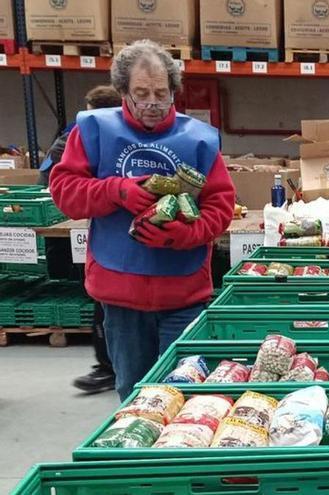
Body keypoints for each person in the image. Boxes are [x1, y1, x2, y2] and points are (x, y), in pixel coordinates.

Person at [50, 40, 235, 400]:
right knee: (134, 397)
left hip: (184, 296)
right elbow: (65, 193)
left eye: (161, 94)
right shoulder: (93, 131)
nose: (152, 104)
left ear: (174, 92)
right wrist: (117, 191)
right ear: (123, 91)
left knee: (185, 398)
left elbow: (221, 207)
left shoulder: (198, 140)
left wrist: (184, 233)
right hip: (121, 298)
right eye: (141, 94)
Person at [37, 85, 122, 394]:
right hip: (99, 239)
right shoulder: (78, 140)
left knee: (111, 304)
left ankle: (110, 366)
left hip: (113, 244)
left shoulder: (85, 136)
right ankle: (109, 366)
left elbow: (46, 181)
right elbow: (58, 186)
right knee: (107, 302)